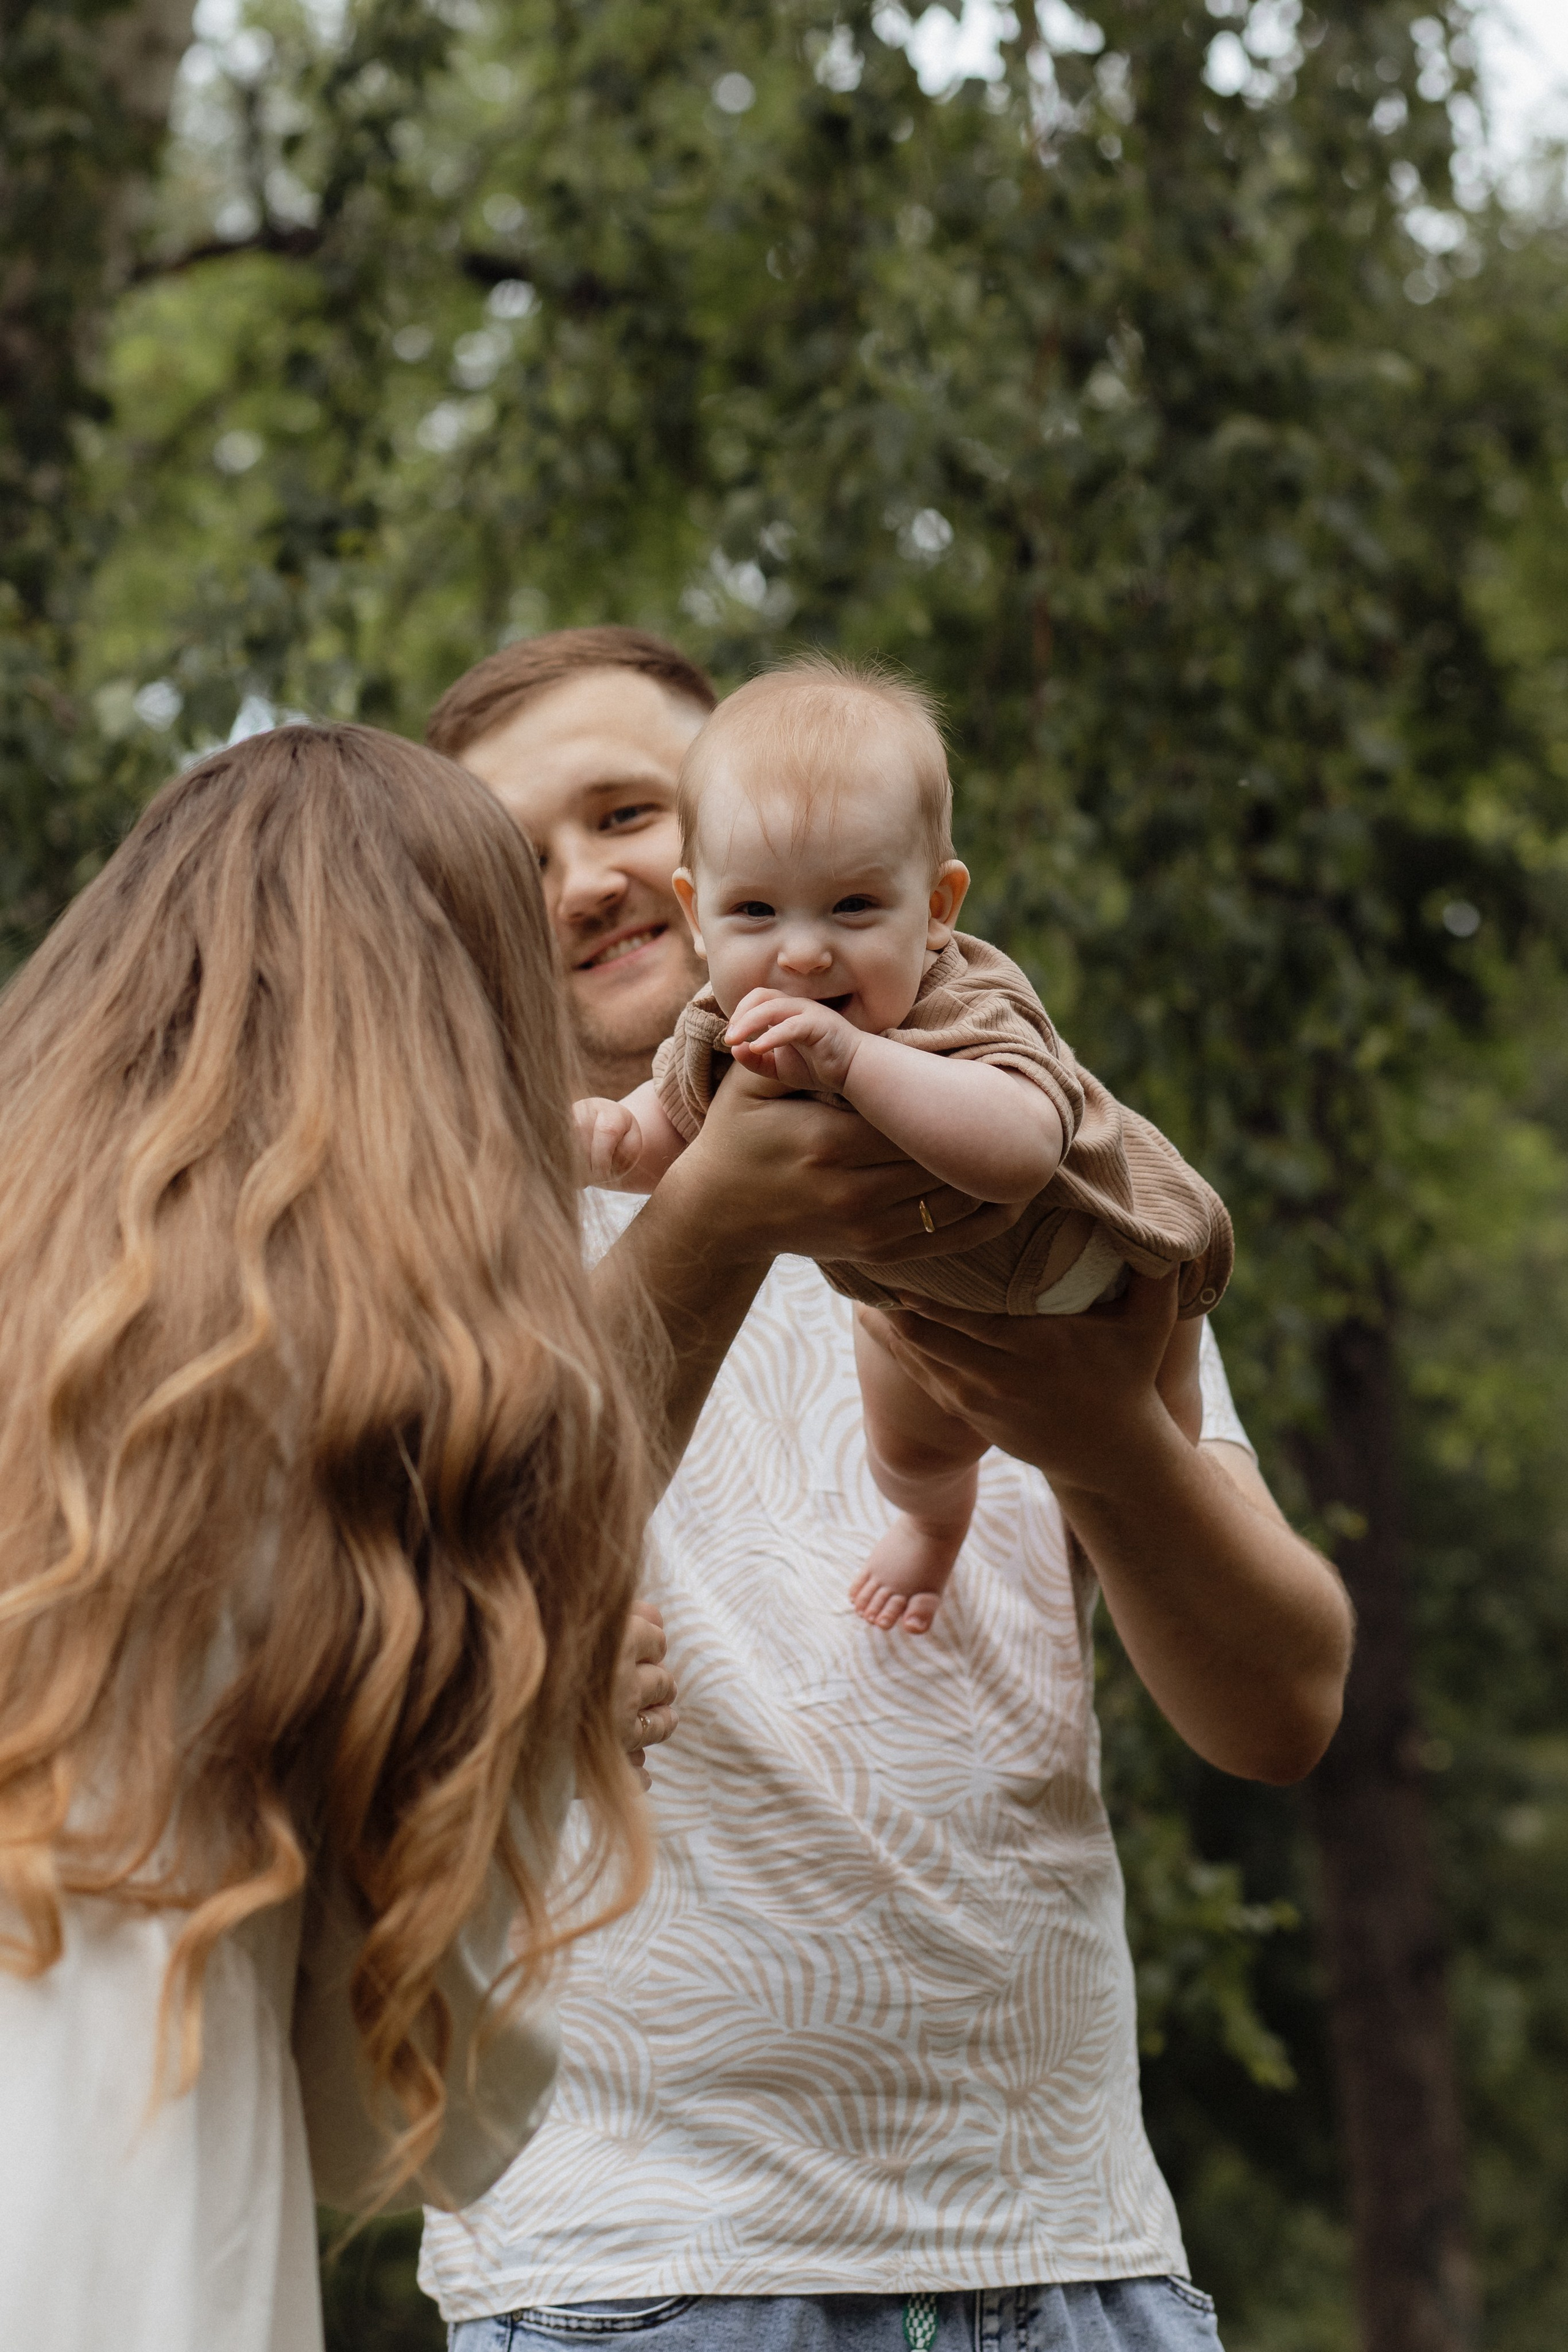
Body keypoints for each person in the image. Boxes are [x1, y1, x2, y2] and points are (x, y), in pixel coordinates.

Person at [420, 628, 1354, 2352]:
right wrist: (712, 1211)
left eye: (624, 809)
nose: (585, 882)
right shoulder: (435, 1245)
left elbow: (1284, 1704)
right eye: (512, 864)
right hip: (633, 2269)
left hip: (1068, 2252)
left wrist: (1098, 1434)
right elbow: (416, 1640)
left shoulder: (1024, 1191)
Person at [0, 723, 724, 2352]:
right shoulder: (398, 1421)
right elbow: (395, 2108)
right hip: (115, 2245)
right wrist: (550, 1712)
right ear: (462, 1030)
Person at [578, 655, 1231, 1634]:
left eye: (852, 908)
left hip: (1101, 1259)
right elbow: (674, 1136)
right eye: (755, 911)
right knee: (908, 1450)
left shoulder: (964, 998)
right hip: (925, 1299)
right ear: (697, 916)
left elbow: (1019, 1149)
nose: (803, 952)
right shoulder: (718, 1029)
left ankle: (1159, 1510)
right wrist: (608, 1138)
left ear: (936, 909)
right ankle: (932, 1528)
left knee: (1165, 1416)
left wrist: (853, 1062)